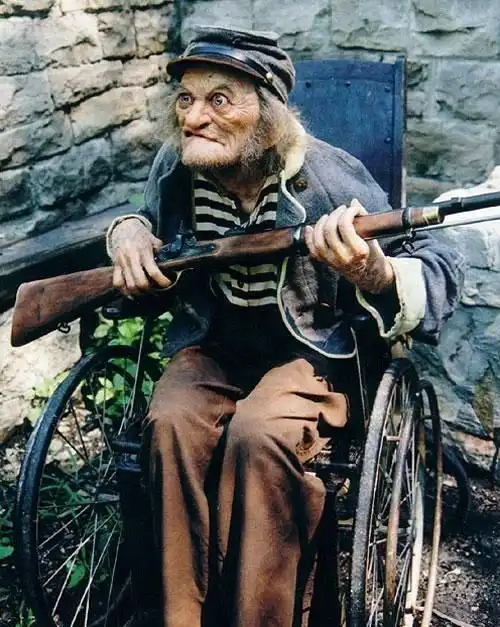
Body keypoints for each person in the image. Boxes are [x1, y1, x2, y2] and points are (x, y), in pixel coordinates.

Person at [106, 26, 463, 627]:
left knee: (261, 435)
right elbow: (149, 223)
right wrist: (128, 232)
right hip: (214, 342)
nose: (193, 117)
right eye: (186, 98)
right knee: (169, 423)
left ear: (268, 113)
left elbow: (436, 262)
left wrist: (372, 271)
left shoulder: (328, 176)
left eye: (220, 99)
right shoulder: (178, 166)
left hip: (309, 350)